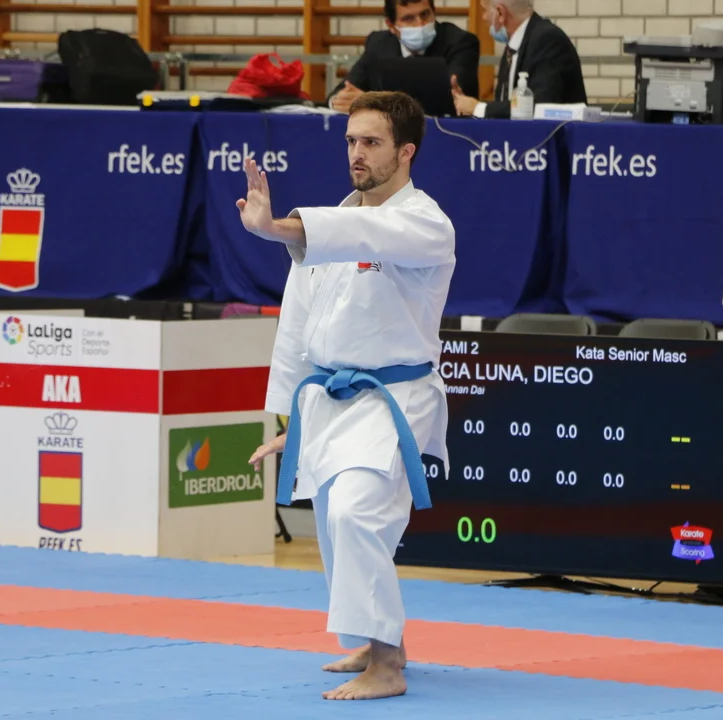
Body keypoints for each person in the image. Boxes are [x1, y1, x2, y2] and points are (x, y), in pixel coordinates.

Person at [241, 91, 455, 701]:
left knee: (357, 512)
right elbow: (300, 324)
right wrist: (293, 417)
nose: (357, 153)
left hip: (393, 398)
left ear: (406, 152)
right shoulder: (336, 221)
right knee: (335, 523)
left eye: (372, 143)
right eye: (351, 142)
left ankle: (386, 665)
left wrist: (276, 228)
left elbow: (366, 235)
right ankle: (373, 637)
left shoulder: (425, 223)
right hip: (331, 397)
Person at [328, 0, 480, 113]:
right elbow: (342, 92)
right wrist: (340, 100)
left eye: (425, 14)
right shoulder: (378, 44)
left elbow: (454, 100)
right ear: (391, 25)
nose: (420, 24)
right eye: (408, 18)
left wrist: (372, 103)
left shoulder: (460, 42)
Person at [451, 0, 586, 118]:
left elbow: (539, 106)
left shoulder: (547, 40)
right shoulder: (514, 46)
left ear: (500, 13)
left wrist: (478, 108)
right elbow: (507, 105)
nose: (484, 17)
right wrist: (467, 105)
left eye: (485, 10)